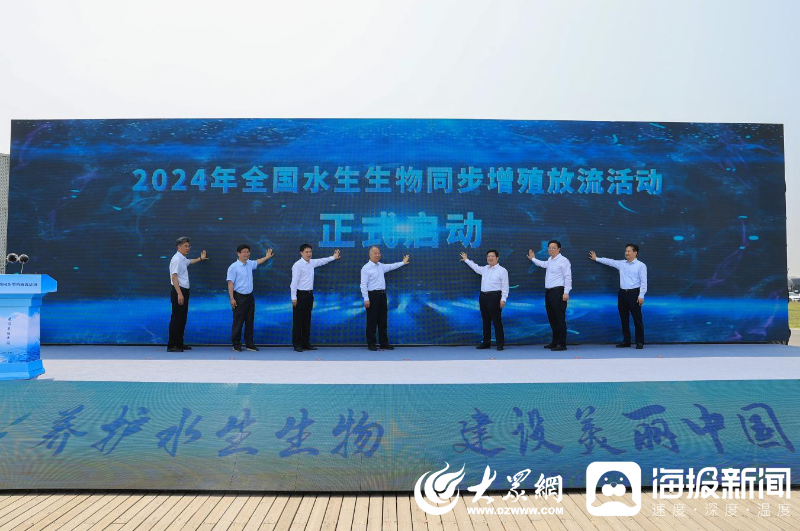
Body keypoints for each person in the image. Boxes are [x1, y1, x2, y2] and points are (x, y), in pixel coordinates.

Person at [589, 244, 648, 349]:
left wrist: (641, 295)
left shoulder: (641, 265)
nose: (627, 253)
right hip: (622, 294)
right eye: (626, 251)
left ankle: (640, 342)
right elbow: (610, 261)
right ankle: (626, 341)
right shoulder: (622, 263)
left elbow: (644, 281)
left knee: (637, 319)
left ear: (635, 253)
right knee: (624, 318)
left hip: (634, 294)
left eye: (629, 251)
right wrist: (596, 258)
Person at [290, 244, 341, 352]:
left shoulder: (311, 263)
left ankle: (306, 343)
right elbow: (293, 283)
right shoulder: (298, 265)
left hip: (309, 295)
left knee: (307, 321)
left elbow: (322, 261)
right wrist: (294, 297)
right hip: (300, 295)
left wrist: (333, 257)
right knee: (298, 321)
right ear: (301, 253)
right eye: (306, 252)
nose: (309, 254)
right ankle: (297, 344)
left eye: (310, 252)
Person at [360, 246, 410, 351]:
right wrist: (366, 298)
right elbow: (363, 285)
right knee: (372, 321)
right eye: (375, 253)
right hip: (372, 296)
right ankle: (371, 344)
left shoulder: (381, 266)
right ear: (370, 254)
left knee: (383, 321)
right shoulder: (366, 268)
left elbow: (392, 266)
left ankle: (384, 343)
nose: (377, 255)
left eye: (379, 253)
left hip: (382, 296)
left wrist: (403, 262)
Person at [226, 244, 274, 352]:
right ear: (238, 254)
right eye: (244, 252)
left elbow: (258, 261)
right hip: (239, 297)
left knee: (249, 321)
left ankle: (249, 344)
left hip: (250, 297)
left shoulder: (249, 264)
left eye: (248, 252)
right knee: (238, 321)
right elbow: (230, 283)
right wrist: (232, 298)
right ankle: (236, 344)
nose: (246, 254)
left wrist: (267, 257)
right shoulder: (233, 267)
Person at [528, 240, 572, 351]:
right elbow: (543, 264)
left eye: (553, 247)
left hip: (559, 292)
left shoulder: (564, 260)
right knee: (552, 317)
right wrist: (533, 259)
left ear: (559, 249)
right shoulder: (550, 260)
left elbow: (568, 277)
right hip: (549, 292)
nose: (551, 249)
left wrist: (566, 292)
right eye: (549, 248)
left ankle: (562, 344)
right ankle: (555, 342)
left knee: (559, 318)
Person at [461, 250, 509, 351]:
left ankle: (500, 343)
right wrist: (466, 260)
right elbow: (475, 267)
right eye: (488, 256)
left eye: (492, 256)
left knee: (496, 320)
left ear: (497, 258)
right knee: (485, 320)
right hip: (483, 297)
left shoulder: (502, 270)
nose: (490, 258)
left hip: (495, 297)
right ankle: (486, 342)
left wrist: (503, 299)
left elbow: (505, 286)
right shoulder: (485, 269)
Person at [167, 237, 208, 352]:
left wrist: (200, 259)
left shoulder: (182, 258)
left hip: (183, 291)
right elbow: (174, 277)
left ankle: (179, 343)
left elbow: (189, 262)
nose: (188, 248)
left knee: (182, 318)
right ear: (178, 247)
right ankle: (172, 345)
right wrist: (179, 294)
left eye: (189, 246)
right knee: (176, 318)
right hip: (179, 291)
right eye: (185, 246)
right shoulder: (176, 259)